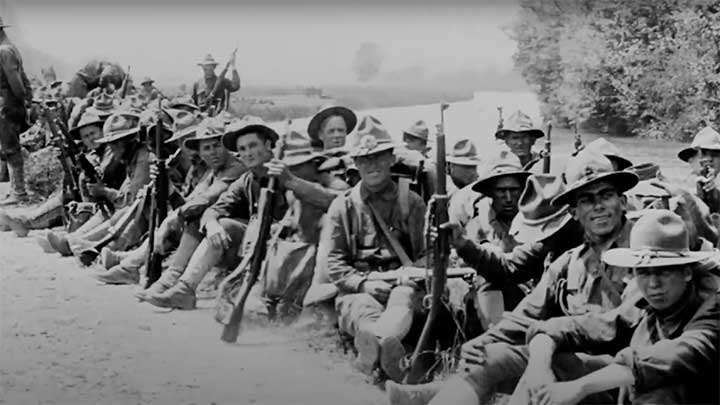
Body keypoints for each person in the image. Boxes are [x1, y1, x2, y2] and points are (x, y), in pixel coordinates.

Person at [387, 149, 641, 405]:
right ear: (574, 212)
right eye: (586, 200)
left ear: (622, 201)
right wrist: (481, 343)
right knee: (491, 355)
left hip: (624, 374)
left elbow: (622, 321)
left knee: (543, 366)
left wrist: (548, 337)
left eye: (606, 195)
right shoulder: (570, 262)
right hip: (568, 358)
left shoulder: (646, 254)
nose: (598, 206)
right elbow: (526, 315)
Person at [522, 209, 718, 405]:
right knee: (556, 364)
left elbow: (682, 354)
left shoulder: (712, 304)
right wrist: (539, 367)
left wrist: (581, 386)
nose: (653, 284)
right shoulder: (645, 304)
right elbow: (586, 327)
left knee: (661, 388)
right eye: (643, 273)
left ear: (687, 273)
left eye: (664, 272)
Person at [142, 117, 340, 308]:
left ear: (269, 145)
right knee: (223, 226)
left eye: (253, 146)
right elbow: (215, 208)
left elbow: (336, 202)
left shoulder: (297, 170)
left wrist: (290, 181)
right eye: (242, 149)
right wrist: (212, 225)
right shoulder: (246, 180)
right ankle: (185, 289)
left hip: (295, 254)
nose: (248, 153)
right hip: (257, 251)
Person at [317, 115, 428, 382]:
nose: (372, 165)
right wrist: (362, 285)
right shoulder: (343, 206)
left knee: (402, 297)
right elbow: (334, 263)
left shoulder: (411, 202)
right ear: (356, 163)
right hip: (360, 287)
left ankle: (373, 352)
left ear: (391, 159)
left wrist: (409, 275)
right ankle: (383, 352)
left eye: (379, 157)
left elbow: (428, 253)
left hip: (403, 283)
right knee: (362, 309)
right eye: (365, 159)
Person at [95, 118, 247, 285]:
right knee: (175, 221)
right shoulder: (212, 172)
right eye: (207, 148)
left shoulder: (235, 168)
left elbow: (207, 198)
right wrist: (167, 186)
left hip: (232, 237)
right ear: (201, 152)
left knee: (184, 221)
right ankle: (129, 266)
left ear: (226, 146)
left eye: (217, 145)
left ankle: (141, 269)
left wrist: (170, 220)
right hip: (211, 234)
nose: (212, 152)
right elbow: (190, 202)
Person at [0, 17, 32, 205]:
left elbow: (17, 85)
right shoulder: (10, 48)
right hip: (12, 104)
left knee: (11, 149)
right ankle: (15, 190)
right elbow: (24, 80)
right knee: (9, 147)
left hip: (8, 105)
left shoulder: (3, 51)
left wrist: (21, 102)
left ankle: (19, 192)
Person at [446, 139, 482, 228]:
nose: (474, 173)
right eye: (467, 167)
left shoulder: (475, 192)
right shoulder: (448, 190)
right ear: (452, 166)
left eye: (474, 167)